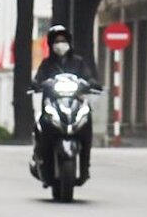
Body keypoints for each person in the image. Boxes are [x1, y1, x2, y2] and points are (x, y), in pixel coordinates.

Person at [30, 23, 97, 182]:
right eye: (57, 41)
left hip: (74, 104)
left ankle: (85, 165)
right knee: (42, 126)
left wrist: (90, 83)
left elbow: (88, 77)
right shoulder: (47, 64)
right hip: (53, 106)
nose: (61, 44)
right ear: (51, 44)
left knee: (86, 124)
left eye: (63, 40)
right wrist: (39, 84)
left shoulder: (78, 62)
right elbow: (38, 80)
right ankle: (43, 162)